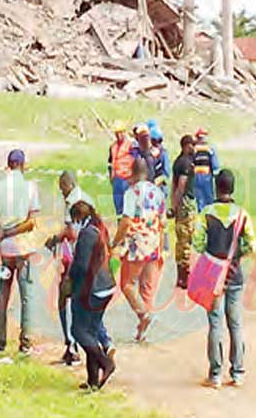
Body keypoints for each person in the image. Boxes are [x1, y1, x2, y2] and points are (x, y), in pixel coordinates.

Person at [194, 169, 256, 388]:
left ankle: (215, 374)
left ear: (216, 188)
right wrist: (236, 257)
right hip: (235, 274)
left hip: (213, 276)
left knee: (215, 324)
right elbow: (251, 245)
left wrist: (212, 256)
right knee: (236, 324)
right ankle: (238, 372)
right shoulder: (242, 214)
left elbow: (198, 244)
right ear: (232, 189)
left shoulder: (206, 213)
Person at [45, 171, 114, 366]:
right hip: (99, 269)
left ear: (68, 185)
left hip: (79, 260)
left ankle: (73, 346)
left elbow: (71, 233)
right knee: (90, 315)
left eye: (62, 189)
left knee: (73, 306)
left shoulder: (73, 206)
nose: (62, 193)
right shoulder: (88, 200)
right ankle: (105, 344)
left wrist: (54, 240)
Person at [0, 149, 41, 354]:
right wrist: (13, 231)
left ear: (8, 164)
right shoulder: (30, 187)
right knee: (27, 297)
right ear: (23, 165)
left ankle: (0, 340)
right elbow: (32, 222)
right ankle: (25, 342)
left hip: (5, 251)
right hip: (24, 248)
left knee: (2, 296)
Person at [112, 158, 166, 342]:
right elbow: (162, 223)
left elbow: (126, 222)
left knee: (127, 284)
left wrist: (115, 242)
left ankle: (143, 315)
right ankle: (143, 332)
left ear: (132, 173)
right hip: (154, 243)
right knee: (147, 288)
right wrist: (161, 248)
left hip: (137, 245)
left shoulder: (131, 193)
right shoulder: (158, 193)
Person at [67, 200, 117, 391]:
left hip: (94, 289)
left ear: (78, 218)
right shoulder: (98, 228)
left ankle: (105, 363)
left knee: (78, 331)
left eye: (74, 220)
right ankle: (93, 381)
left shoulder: (87, 234)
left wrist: (70, 283)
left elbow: (81, 265)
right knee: (91, 331)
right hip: (106, 286)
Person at [172, 135, 198, 289]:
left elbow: (173, 186)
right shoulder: (186, 163)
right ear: (186, 146)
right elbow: (181, 185)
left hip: (181, 203)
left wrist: (173, 204)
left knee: (180, 240)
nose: (194, 148)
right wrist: (177, 204)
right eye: (192, 145)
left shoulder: (178, 161)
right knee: (186, 238)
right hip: (186, 203)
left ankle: (180, 276)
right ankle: (185, 277)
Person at [108, 121, 135, 216]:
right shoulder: (113, 146)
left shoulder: (131, 145)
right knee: (118, 206)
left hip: (128, 178)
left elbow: (136, 161)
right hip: (117, 179)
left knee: (128, 207)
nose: (118, 135)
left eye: (120, 132)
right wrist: (111, 175)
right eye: (116, 133)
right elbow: (110, 162)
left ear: (124, 132)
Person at [193, 128, 220, 212]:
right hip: (207, 178)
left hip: (196, 177)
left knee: (199, 201)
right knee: (209, 200)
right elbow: (215, 165)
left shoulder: (194, 149)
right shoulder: (210, 149)